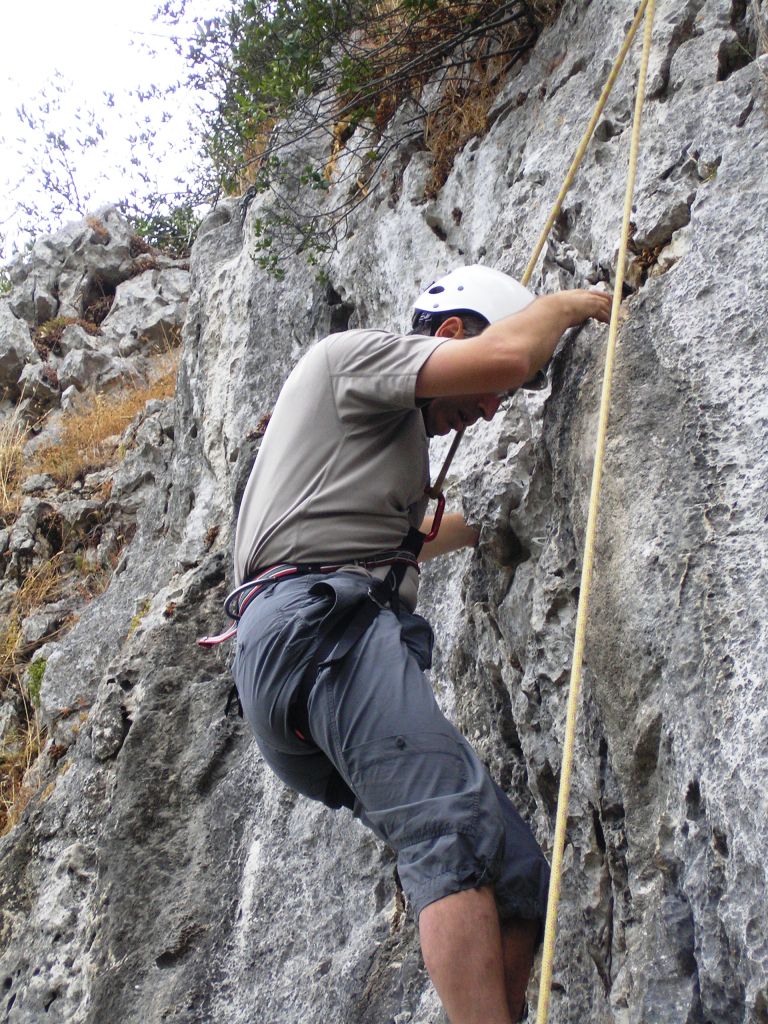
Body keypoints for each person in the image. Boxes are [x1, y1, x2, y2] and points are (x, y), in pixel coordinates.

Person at [230, 265, 611, 1024]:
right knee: (446, 831)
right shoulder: (351, 358)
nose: (492, 406)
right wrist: (572, 304)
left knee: (517, 879)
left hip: (307, 653)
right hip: (319, 629)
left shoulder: (377, 446)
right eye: (489, 392)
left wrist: (516, 501)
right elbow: (509, 355)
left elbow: (413, 541)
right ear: (450, 334)